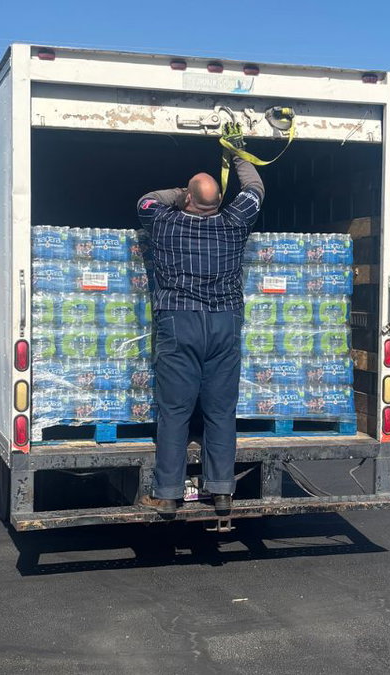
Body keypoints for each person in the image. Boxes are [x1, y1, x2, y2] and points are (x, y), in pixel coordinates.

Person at [135, 150, 264, 516]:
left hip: (179, 322)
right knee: (221, 410)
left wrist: (179, 194)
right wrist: (237, 155)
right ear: (219, 201)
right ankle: (222, 490)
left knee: (175, 411)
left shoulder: (164, 223)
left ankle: (168, 494)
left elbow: (146, 200)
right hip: (223, 322)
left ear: (189, 198)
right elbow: (254, 188)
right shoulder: (235, 223)